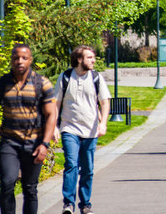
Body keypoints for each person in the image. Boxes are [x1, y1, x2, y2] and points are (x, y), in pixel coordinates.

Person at [0, 44, 57, 214]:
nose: (19, 61)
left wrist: (44, 144)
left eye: (24, 58)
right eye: (16, 58)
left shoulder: (42, 84)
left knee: (30, 188)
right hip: (9, 142)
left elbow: (52, 115)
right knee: (7, 182)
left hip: (35, 143)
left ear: (30, 60)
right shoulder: (1, 84)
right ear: (11, 60)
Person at [54, 46, 111, 214]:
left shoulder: (96, 78)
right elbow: (55, 104)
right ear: (79, 59)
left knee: (88, 168)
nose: (93, 60)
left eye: (93, 57)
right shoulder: (64, 77)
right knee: (71, 164)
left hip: (91, 130)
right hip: (69, 128)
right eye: (90, 57)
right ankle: (68, 204)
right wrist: (55, 127)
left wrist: (103, 123)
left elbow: (105, 102)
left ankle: (85, 204)